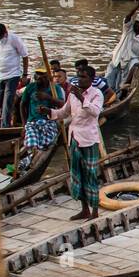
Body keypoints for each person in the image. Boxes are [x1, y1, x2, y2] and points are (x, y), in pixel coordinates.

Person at [50, 64, 104, 220]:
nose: (79, 79)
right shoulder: (72, 95)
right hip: (74, 138)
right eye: (78, 76)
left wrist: (82, 98)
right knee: (77, 175)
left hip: (88, 140)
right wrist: (50, 113)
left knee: (91, 175)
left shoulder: (96, 94)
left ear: (91, 79)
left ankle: (95, 211)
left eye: (83, 77)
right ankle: (84, 209)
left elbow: (95, 112)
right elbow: (64, 112)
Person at [0, 22, 29, 128]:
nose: (0, 38)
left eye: (1, 36)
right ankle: (4, 122)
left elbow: (25, 56)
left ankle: (5, 126)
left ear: (5, 33)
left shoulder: (14, 39)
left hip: (13, 74)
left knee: (8, 100)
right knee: (0, 103)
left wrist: (25, 74)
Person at [17, 71, 62, 171]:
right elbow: (22, 105)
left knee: (46, 144)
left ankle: (32, 162)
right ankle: (29, 161)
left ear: (47, 77)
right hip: (32, 122)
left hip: (49, 121)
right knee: (31, 143)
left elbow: (63, 105)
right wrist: (24, 125)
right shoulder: (30, 87)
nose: (38, 79)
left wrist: (48, 98)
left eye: (42, 76)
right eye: (37, 76)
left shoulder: (55, 88)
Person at [105, 12, 139, 93]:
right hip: (117, 60)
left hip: (129, 64)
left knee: (136, 64)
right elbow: (128, 17)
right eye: (136, 22)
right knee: (108, 84)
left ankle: (125, 86)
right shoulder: (128, 29)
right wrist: (137, 6)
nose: (136, 25)